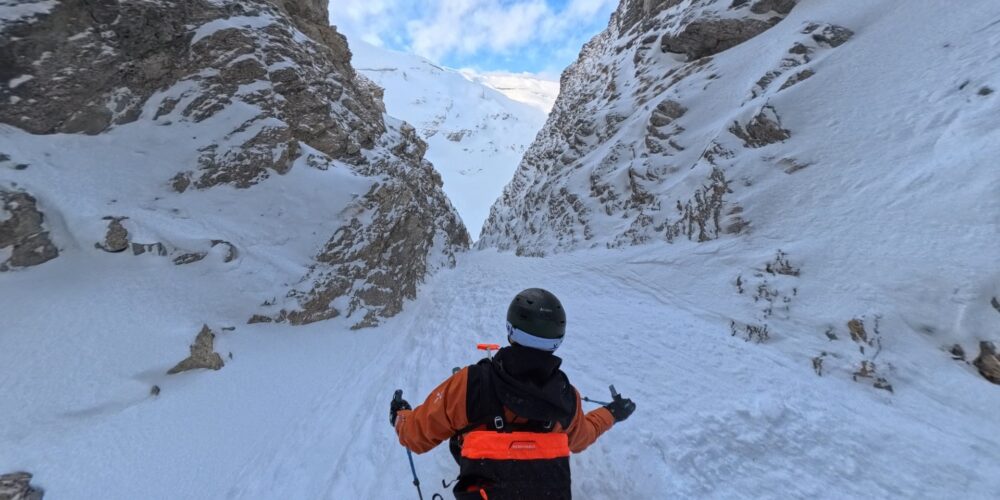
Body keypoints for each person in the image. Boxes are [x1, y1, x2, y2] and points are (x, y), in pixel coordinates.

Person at [390, 288, 637, 499]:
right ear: (557, 340)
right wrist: (612, 413)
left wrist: (400, 415)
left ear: (511, 330)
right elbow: (583, 437)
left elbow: (415, 436)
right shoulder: (567, 398)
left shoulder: (470, 384)